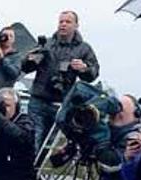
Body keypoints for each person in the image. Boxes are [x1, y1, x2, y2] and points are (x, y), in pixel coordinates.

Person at [22, 10, 99, 150]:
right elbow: (25, 68)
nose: (63, 25)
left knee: (53, 146)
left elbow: (94, 73)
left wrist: (84, 68)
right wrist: (29, 60)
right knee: (34, 139)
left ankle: (42, 171)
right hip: (38, 100)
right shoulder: (46, 44)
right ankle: (28, 170)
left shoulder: (84, 48)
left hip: (62, 104)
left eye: (68, 22)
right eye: (61, 21)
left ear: (76, 25)